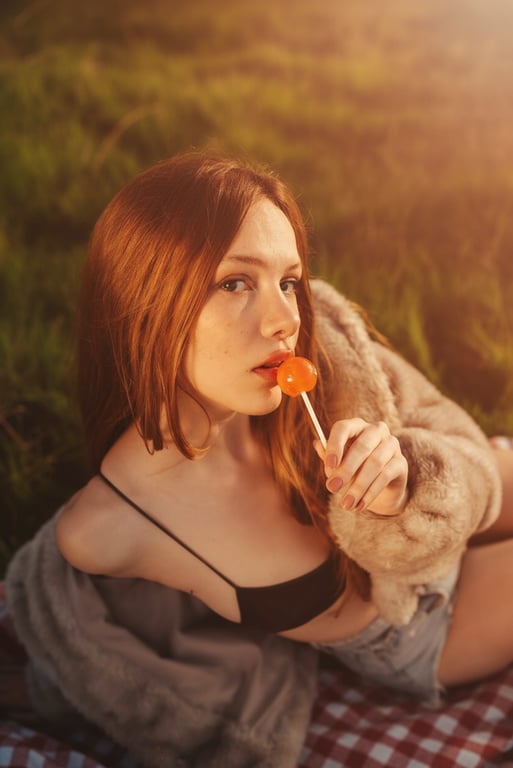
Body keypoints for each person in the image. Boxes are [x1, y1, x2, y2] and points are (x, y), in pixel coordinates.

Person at [5, 151, 513, 765]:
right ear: (144, 302)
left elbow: (444, 425)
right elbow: (94, 648)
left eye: (288, 281)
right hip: (427, 618)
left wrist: (411, 480)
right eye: (235, 282)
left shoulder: (324, 339)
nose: (284, 320)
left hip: (466, 499)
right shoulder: (108, 528)